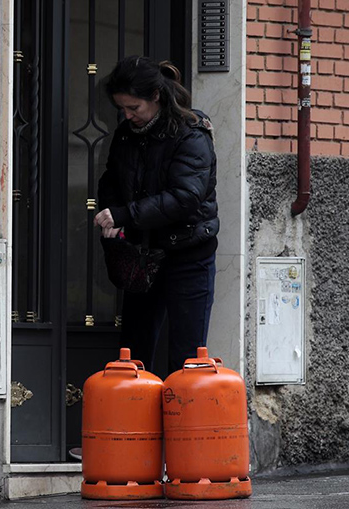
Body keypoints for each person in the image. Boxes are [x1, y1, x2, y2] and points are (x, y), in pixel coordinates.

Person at [94, 55, 219, 375]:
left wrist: (125, 215)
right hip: (144, 256)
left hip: (189, 255)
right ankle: (139, 424)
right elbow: (111, 180)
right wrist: (112, 218)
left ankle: (183, 424)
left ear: (156, 96)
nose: (127, 115)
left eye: (134, 107)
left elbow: (186, 197)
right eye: (122, 108)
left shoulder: (191, 132)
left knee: (187, 357)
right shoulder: (125, 135)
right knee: (133, 354)